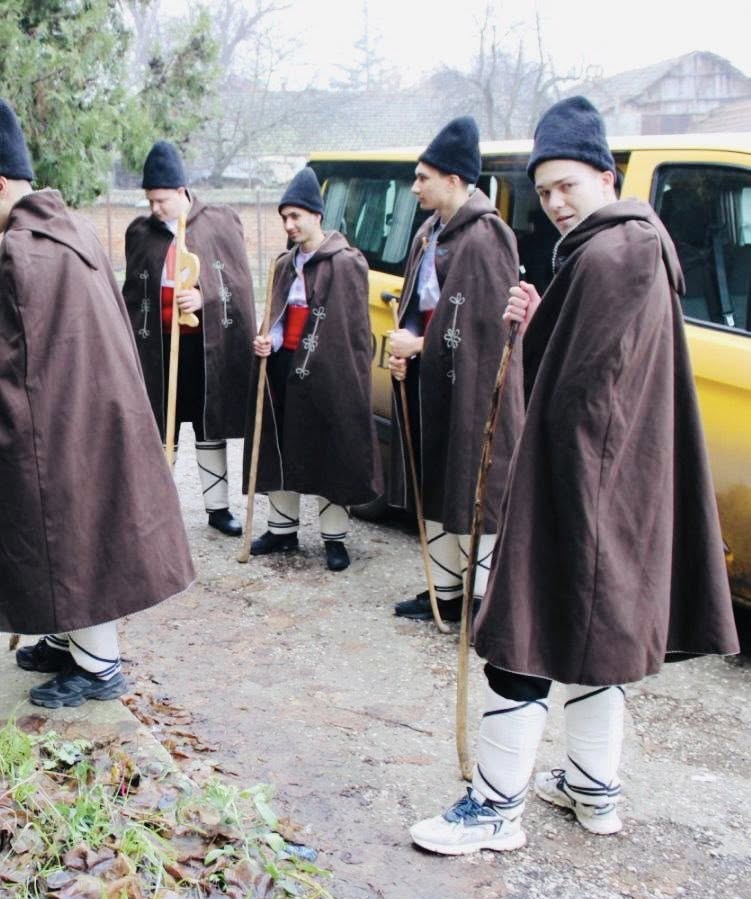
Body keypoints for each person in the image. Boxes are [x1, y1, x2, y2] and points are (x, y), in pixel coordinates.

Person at [409, 97, 739, 855]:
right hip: (613, 484)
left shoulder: (614, 253)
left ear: (605, 176)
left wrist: (548, 488)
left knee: (525, 639)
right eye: (545, 190)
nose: (556, 202)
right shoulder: (624, 247)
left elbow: (585, 392)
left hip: (582, 482)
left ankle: (495, 808)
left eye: (568, 185)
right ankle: (594, 790)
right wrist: (539, 321)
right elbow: (589, 360)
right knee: (594, 636)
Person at [0, 99, 195, 708]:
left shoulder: (29, 249)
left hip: (69, 418)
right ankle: (68, 638)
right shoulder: (69, 228)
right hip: (93, 408)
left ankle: (99, 669)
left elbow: (4, 353)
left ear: (1, 184)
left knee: (73, 528)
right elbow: (1, 332)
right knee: (73, 524)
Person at [386, 116, 522, 623]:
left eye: (423, 178)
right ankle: (444, 592)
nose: (414, 187)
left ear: (454, 179)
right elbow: (417, 305)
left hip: (471, 386)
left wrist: (421, 344)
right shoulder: (428, 233)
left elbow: (487, 329)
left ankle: (482, 602)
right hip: (431, 377)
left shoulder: (487, 236)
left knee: (473, 483)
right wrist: (405, 349)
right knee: (436, 478)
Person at [245, 168, 381, 569]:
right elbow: (277, 316)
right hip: (284, 366)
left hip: (328, 371)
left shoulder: (346, 262)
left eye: (296, 216)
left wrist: (335, 370)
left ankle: (334, 538)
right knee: (281, 443)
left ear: (317, 215)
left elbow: (351, 330)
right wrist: (267, 339)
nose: (289, 225)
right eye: (284, 218)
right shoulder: (284, 264)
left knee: (329, 447)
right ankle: (281, 529)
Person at [121, 141, 256, 538]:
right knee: (160, 426)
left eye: (161, 200)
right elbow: (133, 294)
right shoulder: (140, 233)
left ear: (182, 192)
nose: (154, 208)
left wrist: (204, 296)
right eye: (150, 200)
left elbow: (237, 284)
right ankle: (160, 507)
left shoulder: (218, 223)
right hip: (158, 348)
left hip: (202, 348)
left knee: (207, 424)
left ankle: (218, 508)